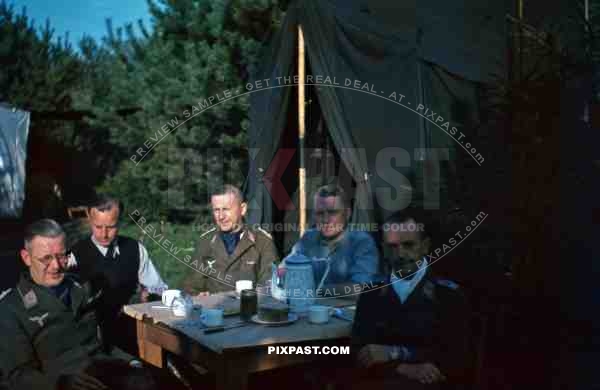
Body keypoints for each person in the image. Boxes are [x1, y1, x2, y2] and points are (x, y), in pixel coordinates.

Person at [0, 219, 170, 390]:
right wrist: (61, 383)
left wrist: (131, 362)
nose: (57, 266)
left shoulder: (81, 289)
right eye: (46, 258)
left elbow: (102, 345)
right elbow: (17, 375)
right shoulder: (11, 309)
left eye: (62, 256)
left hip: (104, 374)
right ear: (27, 258)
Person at [350, 208, 471, 389]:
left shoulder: (448, 295)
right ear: (383, 249)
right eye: (392, 246)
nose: (400, 254)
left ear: (425, 246)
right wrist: (402, 367)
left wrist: (395, 353)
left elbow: (458, 358)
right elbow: (358, 353)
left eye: (408, 245)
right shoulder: (371, 294)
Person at [68, 195, 168, 355]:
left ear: (120, 221)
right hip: (92, 338)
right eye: (98, 227)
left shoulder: (135, 249)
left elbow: (159, 288)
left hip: (133, 330)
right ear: (89, 219)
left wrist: (151, 293)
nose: (104, 234)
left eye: (111, 227)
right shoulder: (74, 255)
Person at [182, 184, 279, 295]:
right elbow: (190, 288)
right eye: (216, 210)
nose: (221, 216)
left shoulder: (262, 242)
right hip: (215, 310)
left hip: (249, 308)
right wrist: (198, 295)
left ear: (242, 209)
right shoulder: (206, 242)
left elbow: (270, 287)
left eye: (226, 209)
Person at [285, 184, 379, 296]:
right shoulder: (308, 238)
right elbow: (285, 270)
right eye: (320, 213)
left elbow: (361, 289)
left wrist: (315, 289)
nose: (325, 220)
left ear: (347, 213)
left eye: (332, 212)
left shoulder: (362, 242)